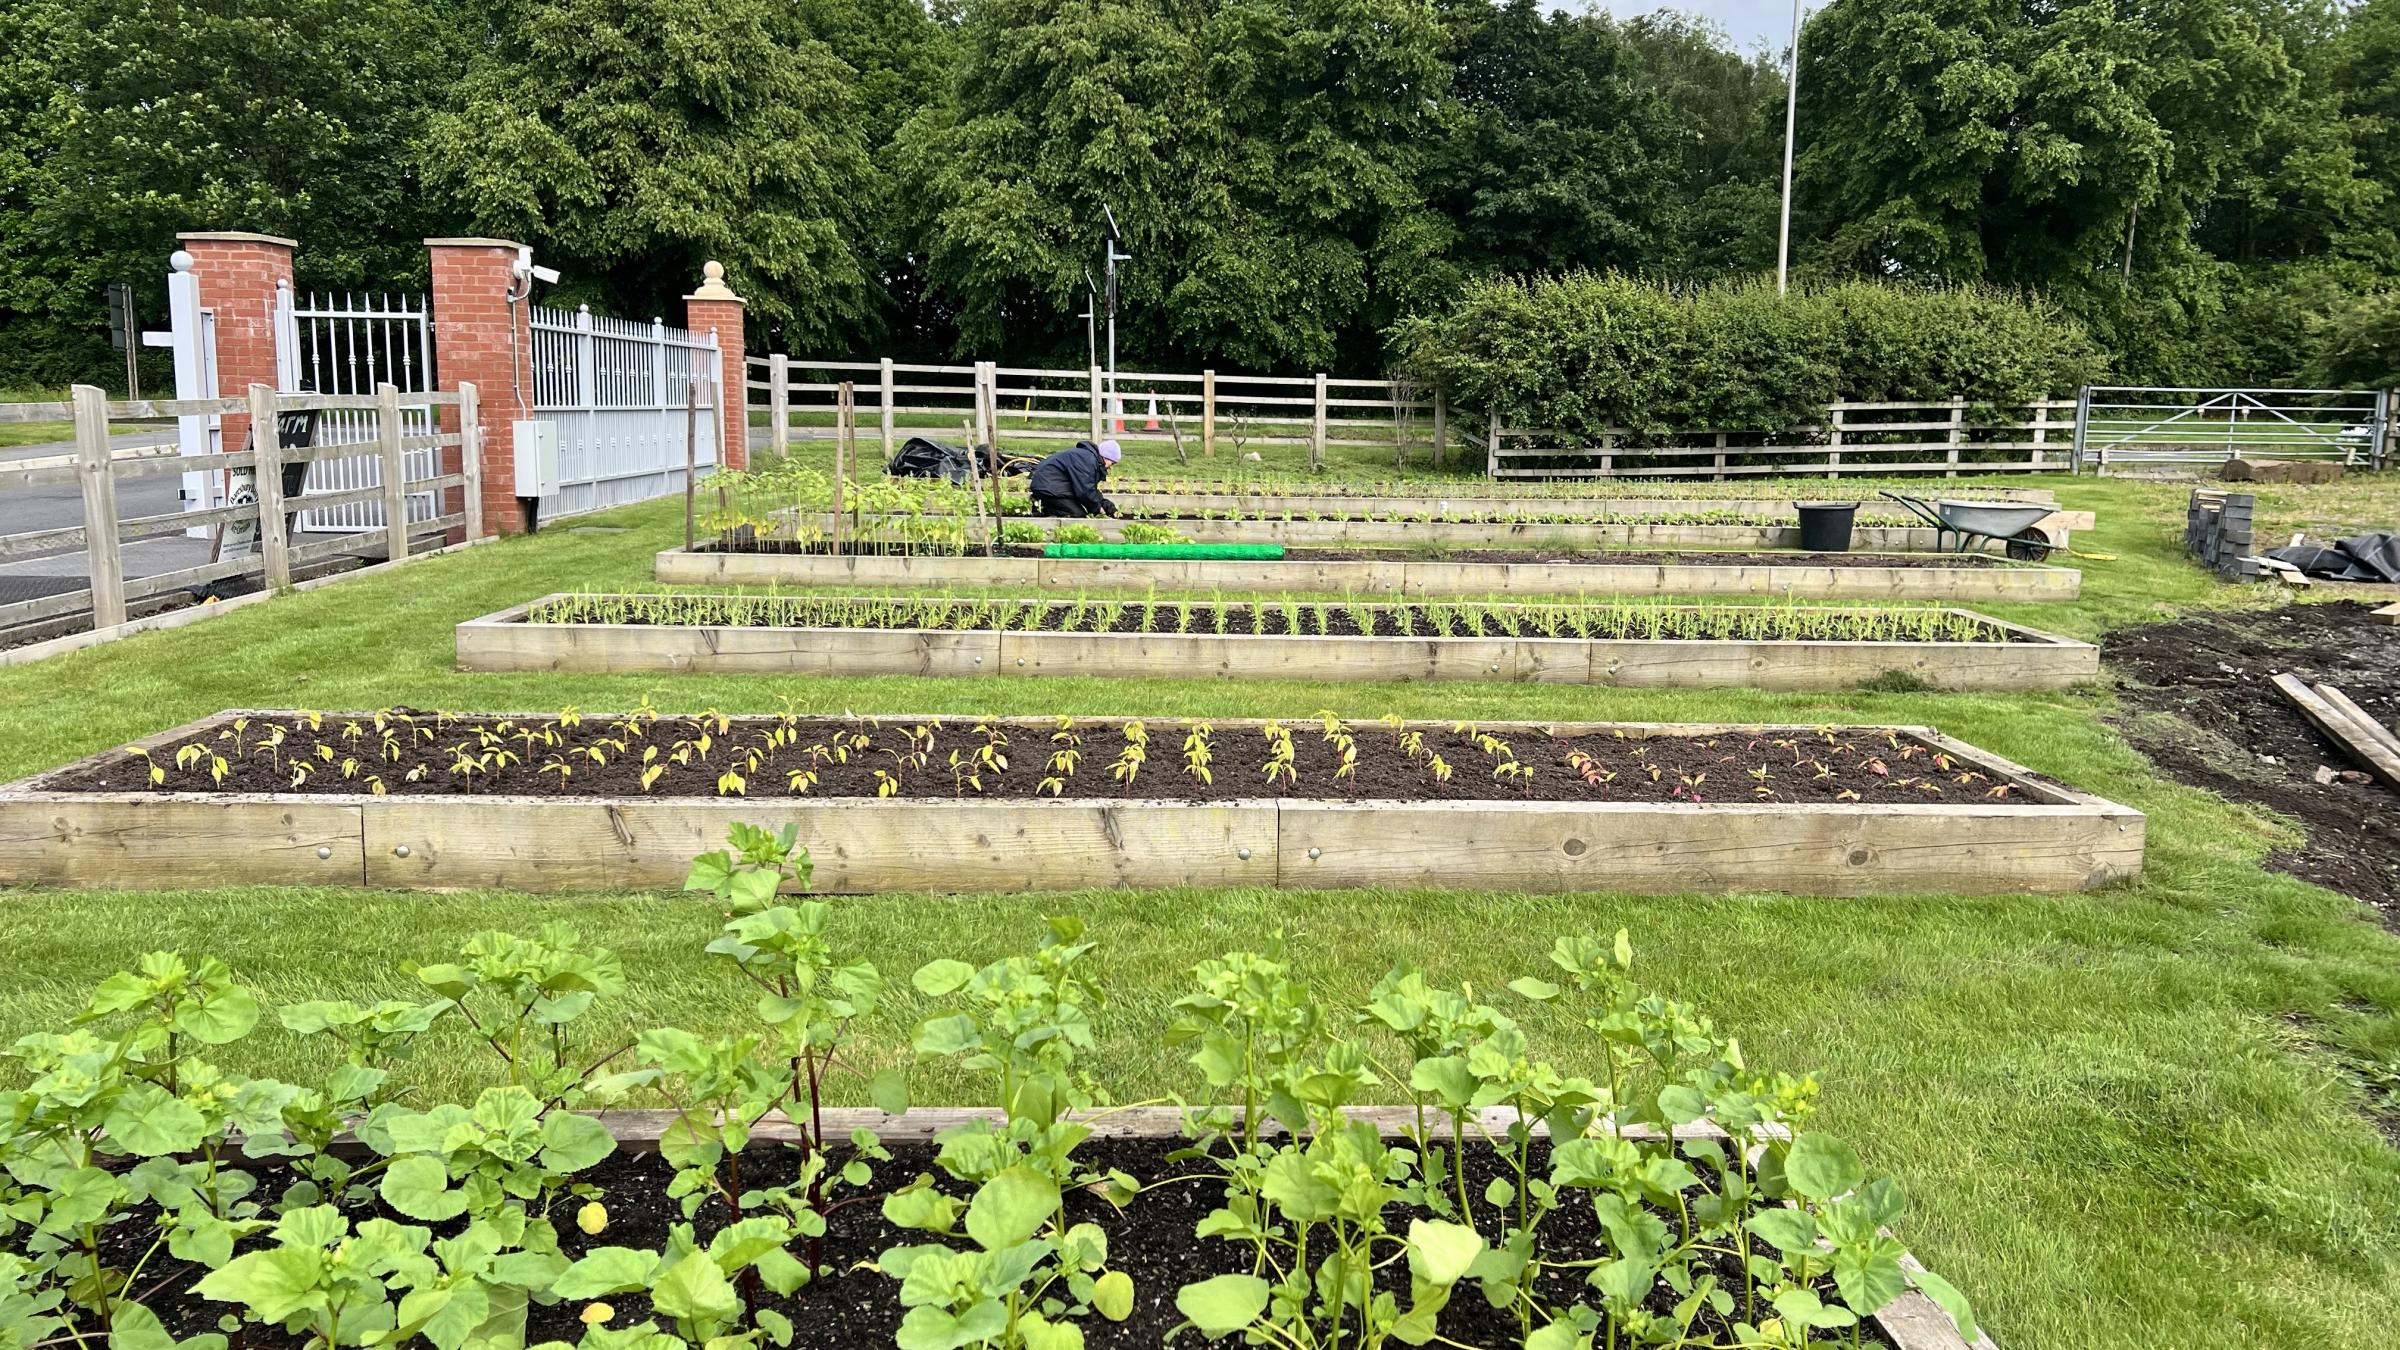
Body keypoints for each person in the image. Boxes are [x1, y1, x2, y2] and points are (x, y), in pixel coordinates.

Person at [1027, 438, 1122, 517]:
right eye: (1112, 463)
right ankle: (1044, 511)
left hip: (1049, 486)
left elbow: (1089, 489)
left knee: (1077, 510)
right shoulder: (1087, 461)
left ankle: (1041, 506)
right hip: (1048, 487)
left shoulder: (1088, 458)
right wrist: (1097, 509)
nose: (1111, 467)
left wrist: (1108, 506)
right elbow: (1084, 491)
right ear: (1105, 457)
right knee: (1077, 515)